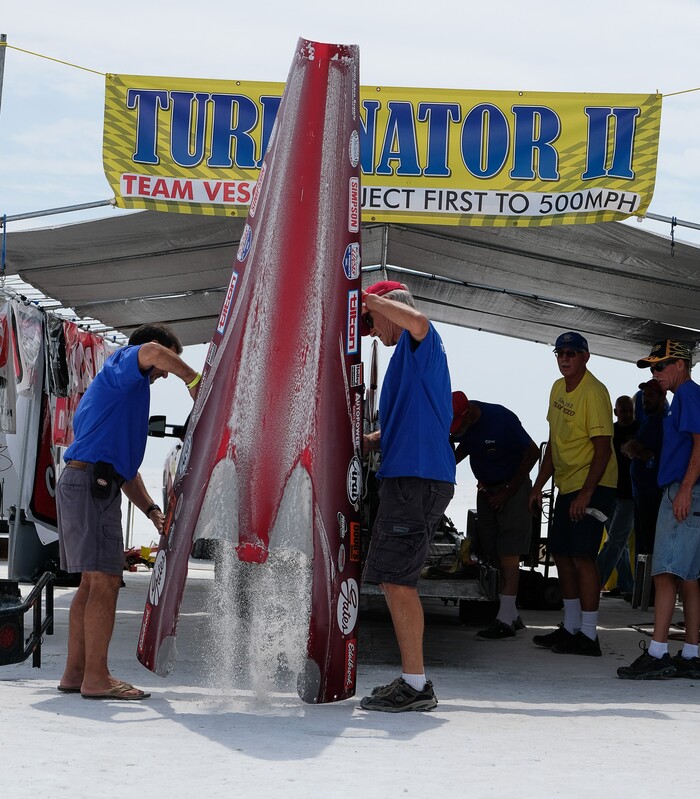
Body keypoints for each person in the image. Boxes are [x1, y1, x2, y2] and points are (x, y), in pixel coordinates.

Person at [56, 323, 201, 700]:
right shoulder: (124, 364)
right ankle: (97, 679)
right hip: (91, 485)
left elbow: (125, 470)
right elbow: (152, 353)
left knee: (91, 583)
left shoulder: (121, 391)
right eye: (167, 363)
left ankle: (76, 674)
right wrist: (193, 380)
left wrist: (153, 510)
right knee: (105, 581)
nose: (165, 372)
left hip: (89, 480)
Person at [358, 280, 455, 712]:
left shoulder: (421, 342)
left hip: (417, 479)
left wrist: (366, 298)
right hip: (408, 476)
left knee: (398, 580)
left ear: (389, 308)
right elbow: (403, 425)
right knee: (392, 578)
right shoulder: (404, 361)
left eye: (373, 322)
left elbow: (417, 321)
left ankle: (416, 686)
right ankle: (412, 681)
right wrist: (369, 441)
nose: (374, 331)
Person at [529, 331, 617, 656]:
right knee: (561, 555)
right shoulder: (556, 388)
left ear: (585, 356)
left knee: (583, 556)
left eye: (572, 352)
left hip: (594, 485)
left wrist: (586, 495)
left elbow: (603, 450)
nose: (565, 358)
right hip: (568, 485)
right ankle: (571, 627)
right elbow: (553, 442)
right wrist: (537, 486)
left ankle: (590, 637)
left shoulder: (594, 392)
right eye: (560, 352)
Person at [618, 340, 700, 679]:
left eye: (661, 366)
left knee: (664, 573)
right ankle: (692, 654)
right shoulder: (686, 396)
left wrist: (683, 489)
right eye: (653, 367)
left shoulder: (688, 395)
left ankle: (658, 652)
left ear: (680, 365)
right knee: (689, 578)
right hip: (688, 492)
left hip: (684, 492)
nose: (656, 373)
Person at [450, 391, 539, 639]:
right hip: (487, 489)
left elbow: (533, 452)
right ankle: (510, 612)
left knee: (509, 552)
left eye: (458, 426)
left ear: (468, 415)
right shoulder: (462, 424)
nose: (455, 432)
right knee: (491, 551)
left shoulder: (501, 419)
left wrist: (509, 491)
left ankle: (505, 622)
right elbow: (459, 452)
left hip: (512, 487)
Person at [597, 396, 639, 598]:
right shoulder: (610, 432)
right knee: (618, 543)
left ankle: (592, 581)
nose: (627, 414)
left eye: (630, 410)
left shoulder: (641, 430)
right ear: (616, 412)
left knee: (615, 541)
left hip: (629, 495)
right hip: (610, 492)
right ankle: (626, 585)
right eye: (623, 411)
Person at [621, 380, 666, 558]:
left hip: (652, 494)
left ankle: (651, 586)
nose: (645, 399)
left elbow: (632, 448)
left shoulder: (659, 421)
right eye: (645, 395)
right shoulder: (648, 421)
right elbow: (631, 448)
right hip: (641, 493)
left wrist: (632, 448)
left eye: (651, 395)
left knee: (649, 548)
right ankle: (643, 586)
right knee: (642, 547)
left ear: (662, 397)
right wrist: (634, 449)